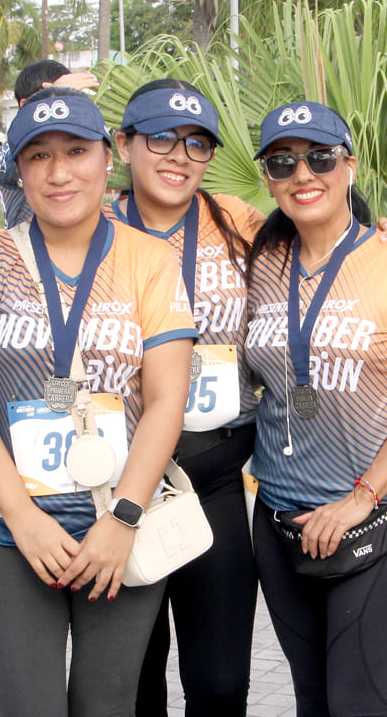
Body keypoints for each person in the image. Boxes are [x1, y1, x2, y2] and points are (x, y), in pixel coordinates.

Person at [0, 88, 197, 714]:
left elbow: (166, 401)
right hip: (9, 530)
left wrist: (125, 519)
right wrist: (23, 519)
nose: (59, 173)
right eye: (39, 156)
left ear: (107, 158)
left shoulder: (149, 259)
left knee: (105, 704)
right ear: (18, 170)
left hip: (118, 520)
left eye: (76, 152)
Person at [245, 101, 387, 714]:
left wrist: (360, 495)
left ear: (350, 166)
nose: (303, 174)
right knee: (312, 698)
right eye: (283, 163)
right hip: (280, 519)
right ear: (268, 178)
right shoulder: (263, 264)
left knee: (356, 702)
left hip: (373, 516)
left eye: (320, 157)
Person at [109, 79, 264, 716]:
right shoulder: (89, 222)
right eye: (162, 139)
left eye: (197, 144)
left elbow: (326, 245)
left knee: (221, 682)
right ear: (124, 145)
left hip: (214, 474)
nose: (179, 156)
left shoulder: (239, 222)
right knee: (135, 680)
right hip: (119, 484)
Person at [0, 60, 100, 229]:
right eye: (41, 155)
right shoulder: (6, 152)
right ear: (24, 105)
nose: (59, 175)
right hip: (25, 250)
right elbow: (10, 159)